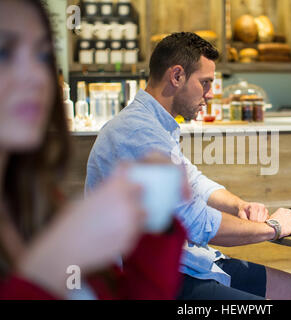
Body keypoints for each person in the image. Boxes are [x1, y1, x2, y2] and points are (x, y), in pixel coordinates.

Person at [86, 32, 291, 300]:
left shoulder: (156, 123)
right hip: (147, 279)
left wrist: (239, 206)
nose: (210, 94)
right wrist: (273, 228)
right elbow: (196, 223)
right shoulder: (137, 133)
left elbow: (194, 181)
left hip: (180, 262)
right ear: (177, 76)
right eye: (205, 83)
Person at [0, 0, 186, 300]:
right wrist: (57, 258)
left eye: (43, 55)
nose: (36, 75)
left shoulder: (36, 202)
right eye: (4, 52)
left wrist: (156, 220)